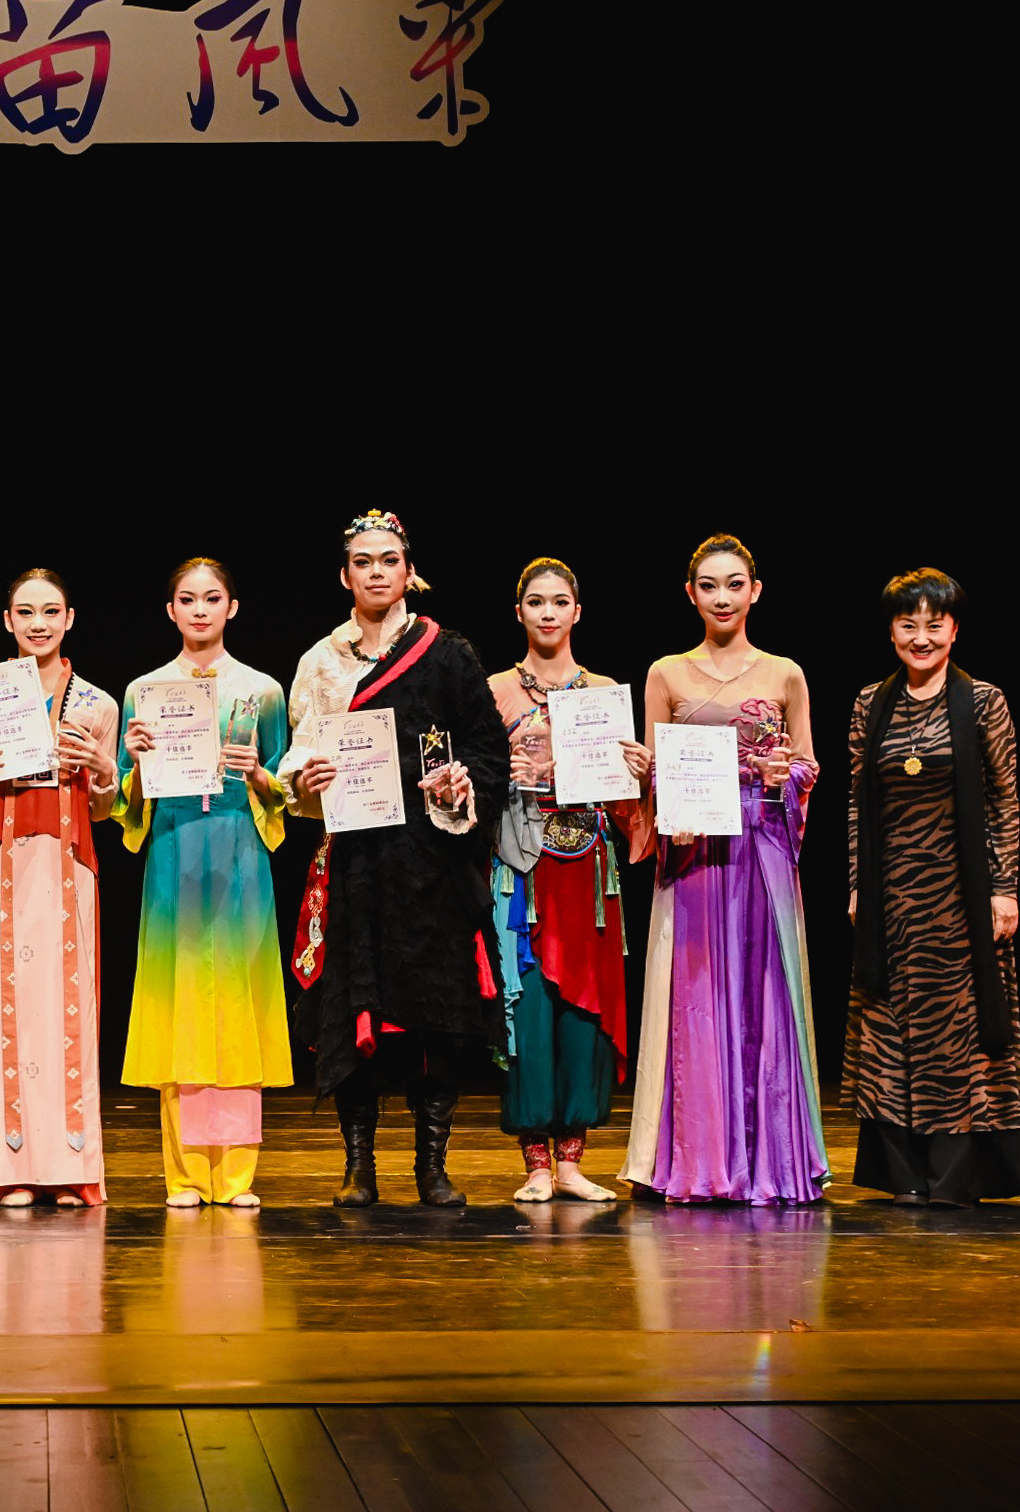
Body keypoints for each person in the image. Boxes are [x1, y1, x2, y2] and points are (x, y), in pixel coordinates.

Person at [284, 512, 510, 1211]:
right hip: (354, 862)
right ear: (344, 575)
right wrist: (305, 779)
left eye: (388, 559)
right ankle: (359, 1166)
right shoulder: (321, 662)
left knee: (435, 1015)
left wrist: (463, 783)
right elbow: (297, 757)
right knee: (355, 1008)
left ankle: (431, 1166)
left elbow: (488, 750)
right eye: (363, 561)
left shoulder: (448, 654)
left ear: (409, 570)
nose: (376, 571)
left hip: (432, 863)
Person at [617, 533, 830, 1206]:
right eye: (709, 585)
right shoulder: (666, 673)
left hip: (760, 848)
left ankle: (772, 1162)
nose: (722, 597)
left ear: (755, 591)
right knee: (698, 998)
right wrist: (650, 784)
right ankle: (702, 1159)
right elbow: (654, 771)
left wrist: (784, 773)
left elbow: (808, 768)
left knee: (766, 996)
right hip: (697, 853)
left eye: (735, 584)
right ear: (691, 594)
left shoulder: (785, 673)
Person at [845, 568, 1020, 1206]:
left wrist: (1003, 888)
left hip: (961, 898)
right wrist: (858, 884)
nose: (920, 638)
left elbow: (1004, 801)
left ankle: (955, 1176)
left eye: (934, 624)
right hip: (892, 899)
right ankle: (903, 1174)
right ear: (891, 631)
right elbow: (857, 804)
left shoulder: (983, 702)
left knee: (957, 1033)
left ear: (954, 630)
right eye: (908, 625)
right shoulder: (870, 703)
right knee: (890, 1029)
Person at [114, 557, 294, 1209]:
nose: (199, 609)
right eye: (187, 599)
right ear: (170, 611)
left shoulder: (262, 691)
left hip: (239, 849)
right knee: (181, 1004)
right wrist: (137, 762)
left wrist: (259, 774)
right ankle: (186, 1173)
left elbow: (285, 784)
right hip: (174, 850)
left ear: (232, 607)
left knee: (239, 1002)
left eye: (211, 598)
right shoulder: (145, 692)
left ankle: (237, 1173)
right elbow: (125, 797)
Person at [0, 570, 120, 1209]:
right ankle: (9, 1166)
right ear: (8, 621)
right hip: (0, 863)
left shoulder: (97, 705)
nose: (39, 623)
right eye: (26, 612)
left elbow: (102, 807)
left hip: (66, 865)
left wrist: (103, 771)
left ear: (70, 618)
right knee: (3, 1009)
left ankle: (70, 1167)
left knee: (64, 1011)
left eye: (51, 611)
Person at [486, 559, 650, 1205]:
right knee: (527, 1006)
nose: (548, 612)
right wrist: (507, 771)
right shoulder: (494, 691)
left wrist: (636, 773)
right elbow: (475, 781)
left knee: (585, 1006)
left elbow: (622, 806)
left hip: (588, 874)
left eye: (560, 601)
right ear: (518, 612)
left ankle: (574, 1161)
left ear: (578, 612)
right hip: (522, 872)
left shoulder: (603, 692)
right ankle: (534, 1163)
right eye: (536, 601)